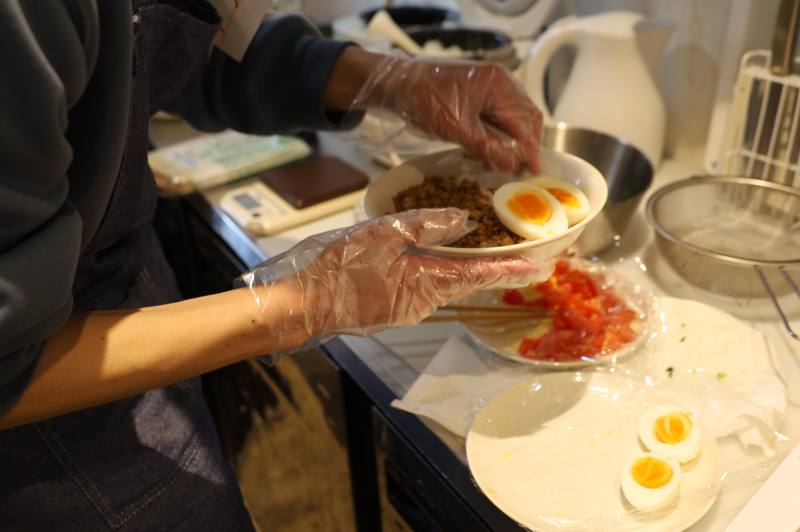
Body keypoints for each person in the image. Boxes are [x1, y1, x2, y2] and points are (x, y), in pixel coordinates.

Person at [0, 2, 543, 530]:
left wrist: (390, 79)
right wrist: (300, 303)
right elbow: (9, 368)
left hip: (122, 308)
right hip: (42, 417)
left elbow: (173, 49)